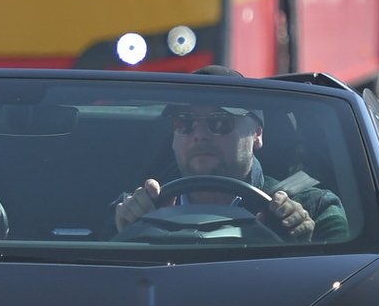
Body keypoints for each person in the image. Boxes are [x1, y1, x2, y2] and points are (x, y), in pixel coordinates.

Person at [109, 78, 348, 242]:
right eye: (184, 122)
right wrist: (126, 237)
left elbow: (342, 296)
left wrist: (302, 247)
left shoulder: (314, 208)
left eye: (220, 122)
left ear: (257, 134)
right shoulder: (136, 210)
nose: (200, 135)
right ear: (173, 137)